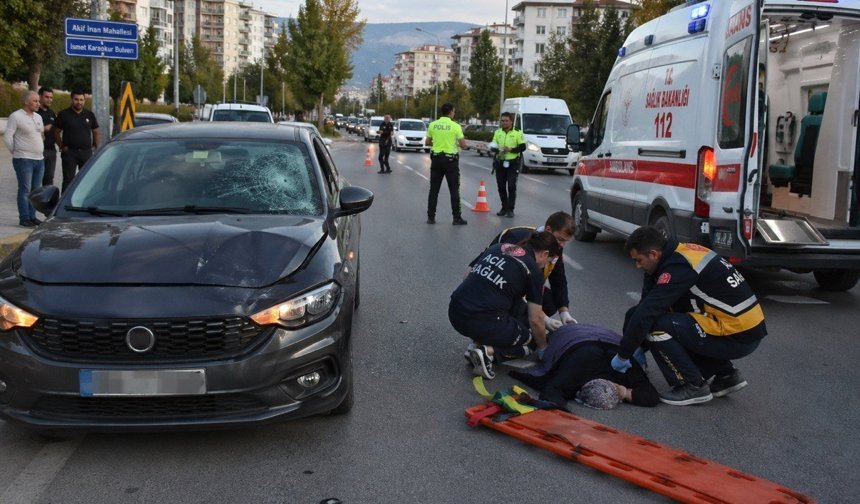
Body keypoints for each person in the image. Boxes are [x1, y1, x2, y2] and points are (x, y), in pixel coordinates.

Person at [612, 226, 767, 406]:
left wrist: (623, 355)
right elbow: (644, 306)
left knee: (657, 326)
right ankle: (726, 375)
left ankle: (693, 386)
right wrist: (637, 347)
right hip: (743, 327)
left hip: (739, 335)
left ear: (654, 254)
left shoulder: (678, 268)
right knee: (665, 318)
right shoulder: (678, 254)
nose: (637, 266)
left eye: (638, 260)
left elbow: (647, 314)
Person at [449, 231, 562, 379]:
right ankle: (488, 351)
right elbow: (535, 320)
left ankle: (478, 342)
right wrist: (543, 347)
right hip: (481, 322)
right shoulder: (533, 271)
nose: (545, 265)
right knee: (532, 339)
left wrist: (546, 320)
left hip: (455, 311)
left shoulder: (500, 248)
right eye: (548, 261)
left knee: (509, 304)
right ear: (545, 253)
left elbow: (467, 275)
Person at [510, 323, 659, 409]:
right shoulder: (575, 372)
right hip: (571, 336)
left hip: (593, 337)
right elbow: (552, 393)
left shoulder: (625, 369)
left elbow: (651, 397)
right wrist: (625, 391)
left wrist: (624, 392)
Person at [489, 211, 576, 327]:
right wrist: (543, 318)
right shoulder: (517, 237)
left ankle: (519, 329)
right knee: (527, 311)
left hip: (520, 289)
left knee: (550, 301)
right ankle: (495, 332)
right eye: (560, 239)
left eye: (566, 241)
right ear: (548, 230)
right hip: (497, 287)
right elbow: (509, 282)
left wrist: (564, 312)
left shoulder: (556, 247)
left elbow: (559, 281)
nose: (562, 245)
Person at [4, 90, 45, 227]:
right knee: (25, 189)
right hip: (24, 159)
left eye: (38, 101)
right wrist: (15, 151)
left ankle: (32, 216)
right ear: (26, 102)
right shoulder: (16, 116)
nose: (38, 103)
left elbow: (40, 134)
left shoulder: (38, 117)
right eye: (35, 101)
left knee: (36, 190)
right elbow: (8, 136)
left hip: (39, 159)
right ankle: (24, 217)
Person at [425, 103, 468, 225]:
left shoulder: (433, 125)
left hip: (437, 160)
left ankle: (431, 217)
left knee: (434, 190)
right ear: (450, 112)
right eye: (454, 111)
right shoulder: (455, 126)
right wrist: (460, 145)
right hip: (450, 162)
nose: (454, 113)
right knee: (454, 190)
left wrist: (439, 144)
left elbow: (428, 142)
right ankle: (456, 218)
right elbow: (463, 144)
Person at [54, 90, 100, 193]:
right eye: (76, 99)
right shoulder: (63, 114)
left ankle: (84, 201)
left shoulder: (89, 114)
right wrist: (61, 146)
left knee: (86, 179)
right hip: (70, 152)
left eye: (81, 100)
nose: (79, 102)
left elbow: (96, 131)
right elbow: (56, 131)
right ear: (72, 99)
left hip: (86, 152)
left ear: (84, 100)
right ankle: (64, 203)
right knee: (68, 180)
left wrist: (95, 146)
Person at [490, 112, 526, 218]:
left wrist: (511, 149)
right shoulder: (497, 133)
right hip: (500, 162)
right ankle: (504, 208)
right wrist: (498, 149)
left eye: (506, 121)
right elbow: (493, 146)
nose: (504, 123)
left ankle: (510, 209)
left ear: (511, 121)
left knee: (511, 186)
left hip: (513, 163)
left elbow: (523, 147)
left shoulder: (517, 133)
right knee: (501, 186)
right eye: (502, 121)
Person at [36, 87, 57, 187]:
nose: (49, 99)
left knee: (49, 179)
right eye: (46, 97)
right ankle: (32, 201)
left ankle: (47, 201)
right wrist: (44, 128)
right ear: (40, 96)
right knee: (36, 179)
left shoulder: (52, 113)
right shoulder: (34, 113)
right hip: (37, 151)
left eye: (51, 97)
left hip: (51, 150)